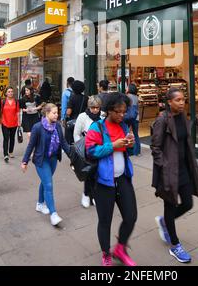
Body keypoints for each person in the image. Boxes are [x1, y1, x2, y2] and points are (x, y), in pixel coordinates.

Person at [85, 92, 137, 267]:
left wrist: (130, 144)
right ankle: (106, 253)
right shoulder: (96, 127)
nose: (122, 115)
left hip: (123, 178)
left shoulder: (123, 126)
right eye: (118, 112)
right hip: (103, 182)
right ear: (108, 110)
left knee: (131, 216)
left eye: (124, 111)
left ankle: (120, 249)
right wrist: (112, 146)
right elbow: (90, 151)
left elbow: (128, 149)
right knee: (105, 221)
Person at [151, 88, 198, 264]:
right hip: (168, 173)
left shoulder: (182, 116)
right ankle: (175, 245)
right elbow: (155, 147)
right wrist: (164, 166)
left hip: (184, 170)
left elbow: (185, 142)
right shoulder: (162, 120)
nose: (182, 102)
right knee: (170, 206)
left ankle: (165, 222)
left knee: (188, 203)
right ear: (169, 102)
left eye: (183, 99)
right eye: (178, 100)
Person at [21, 103, 71, 226]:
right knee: (48, 184)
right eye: (54, 112)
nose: (56, 114)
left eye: (57, 112)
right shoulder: (37, 127)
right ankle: (53, 214)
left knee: (45, 181)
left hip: (53, 159)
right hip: (41, 160)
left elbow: (64, 143)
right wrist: (24, 161)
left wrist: (74, 157)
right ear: (47, 113)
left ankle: (39, 203)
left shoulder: (58, 126)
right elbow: (31, 145)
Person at [73, 95, 103, 208]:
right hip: (86, 149)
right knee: (88, 172)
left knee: (97, 173)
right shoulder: (82, 117)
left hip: (99, 149)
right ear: (89, 107)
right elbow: (76, 133)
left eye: (97, 107)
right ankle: (86, 194)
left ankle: (94, 195)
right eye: (93, 107)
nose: (95, 110)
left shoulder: (103, 116)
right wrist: (81, 148)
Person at [1, 87, 20, 163]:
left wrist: (19, 122)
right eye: (9, 92)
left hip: (14, 122)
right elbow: (0, 112)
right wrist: (1, 120)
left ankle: (11, 151)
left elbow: (18, 112)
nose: (10, 93)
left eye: (11, 91)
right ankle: (5, 154)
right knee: (6, 138)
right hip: (5, 122)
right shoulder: (3, 101)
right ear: (6, 93)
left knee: (12, 138)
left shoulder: (16, 101)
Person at [66, 80, 88, 144]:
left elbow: (68, 112)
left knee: (72, 139)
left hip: (73, 121)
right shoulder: (85, 98)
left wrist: (65, 117)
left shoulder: (72, 98)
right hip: (83, 121)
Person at [126, 83, 141, 156]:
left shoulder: (127, 97)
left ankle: (128, 150)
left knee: (126, 133)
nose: (126, 88)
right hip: (136, 117)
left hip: (128, 117)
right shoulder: (136, 97)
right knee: (136, 134)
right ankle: (137, 151)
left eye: (127, 87)